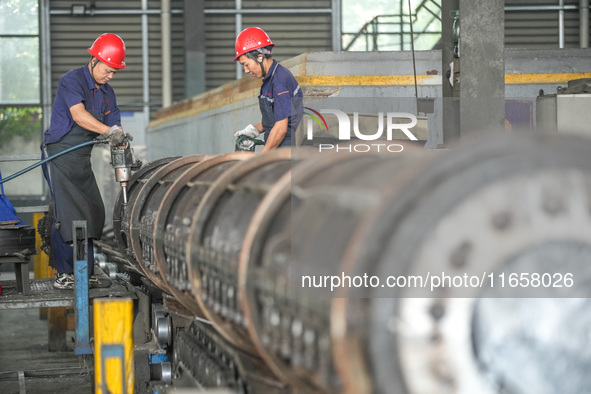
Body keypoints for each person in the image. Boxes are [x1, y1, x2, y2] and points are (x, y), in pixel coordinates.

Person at [41, 33, 132, 289]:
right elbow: (79, 116)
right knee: (68, 214)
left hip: (81, 157)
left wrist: (122, 144)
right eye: (107, 69)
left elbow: (116, 128)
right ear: (94, 60)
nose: (110, 76)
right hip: (59, 153)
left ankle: (87, 272)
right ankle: (65, 275)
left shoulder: (107, 93)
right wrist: (108, 132)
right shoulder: (72, 80)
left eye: (115, 72)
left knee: (93, 211)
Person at [233, 27, 304, 152]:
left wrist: (263, 157)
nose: (246, 70)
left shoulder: (279, 81)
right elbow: (273, 118)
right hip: (279, 147)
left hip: (289, 149)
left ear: (259, 57)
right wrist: (254, 130)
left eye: (246, 64)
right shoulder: (268, 79)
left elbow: (281, 127)